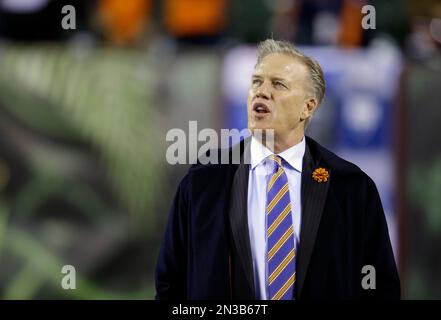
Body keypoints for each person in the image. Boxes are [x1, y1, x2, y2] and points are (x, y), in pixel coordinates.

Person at [155, 39, 400, 300]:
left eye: (278, 84)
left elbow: (380, 288)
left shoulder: (351, 188)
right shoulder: (203, 183)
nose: (261, 92)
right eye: (256, 82)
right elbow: (170, 285)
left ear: (308, 106)